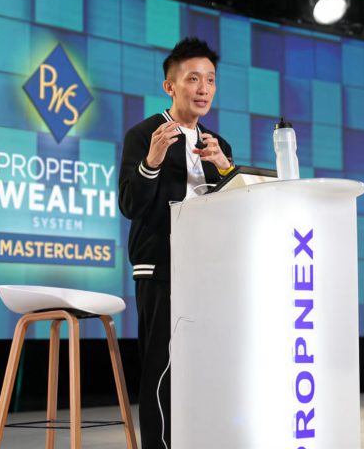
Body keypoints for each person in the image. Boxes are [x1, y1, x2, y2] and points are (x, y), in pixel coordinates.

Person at [118, 37, 235, 448]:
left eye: (211, 80)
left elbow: (235, 213)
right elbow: (131, 206)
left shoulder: (218, 145)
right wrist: (151, 161)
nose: (204, 89)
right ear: (170, 86)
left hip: (210, 273)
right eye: (193, 79)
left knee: (208, 369)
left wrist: (225, 168)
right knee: (161, 372)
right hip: (162, 268)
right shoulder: (143, 134)